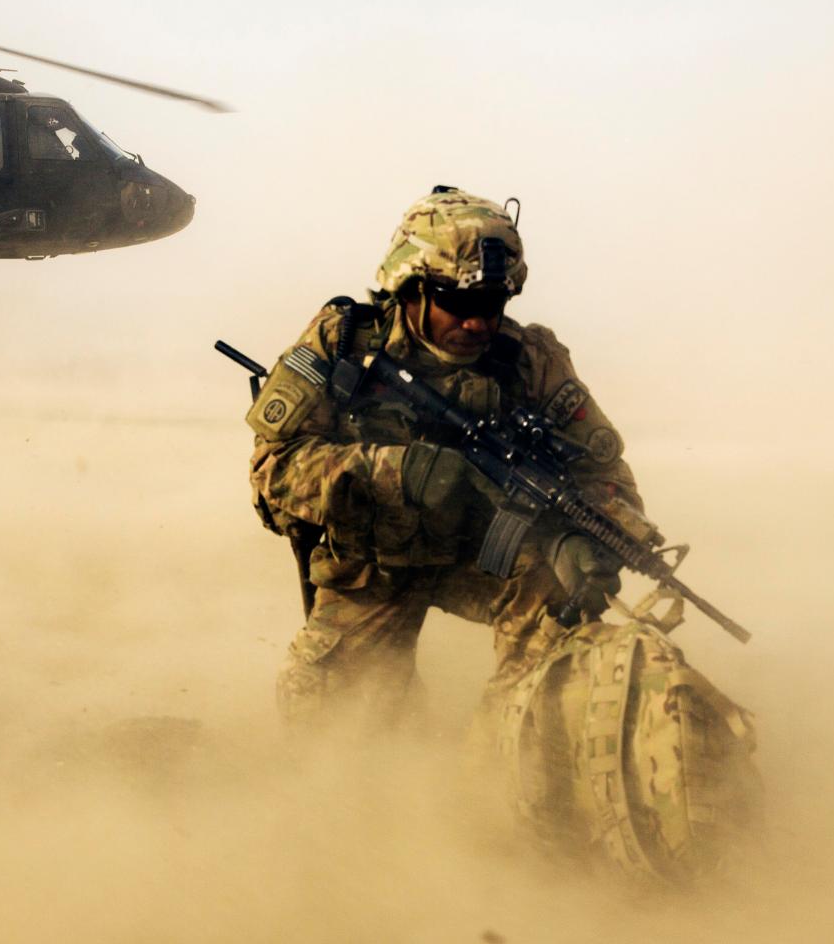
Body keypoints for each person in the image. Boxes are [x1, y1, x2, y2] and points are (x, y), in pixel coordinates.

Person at [247, 188, 659, 734]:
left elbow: (604, 474)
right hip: (375, 562)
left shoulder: (529, 359)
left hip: (486, 557)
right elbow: (272, 472)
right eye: (459, 305)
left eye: (492, 306)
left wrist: (606, 535)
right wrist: (399, 472)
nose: (477, 324)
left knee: (558, 602)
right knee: (332, 736)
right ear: (412, 289)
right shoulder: (345, 342)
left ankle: (506, 751)